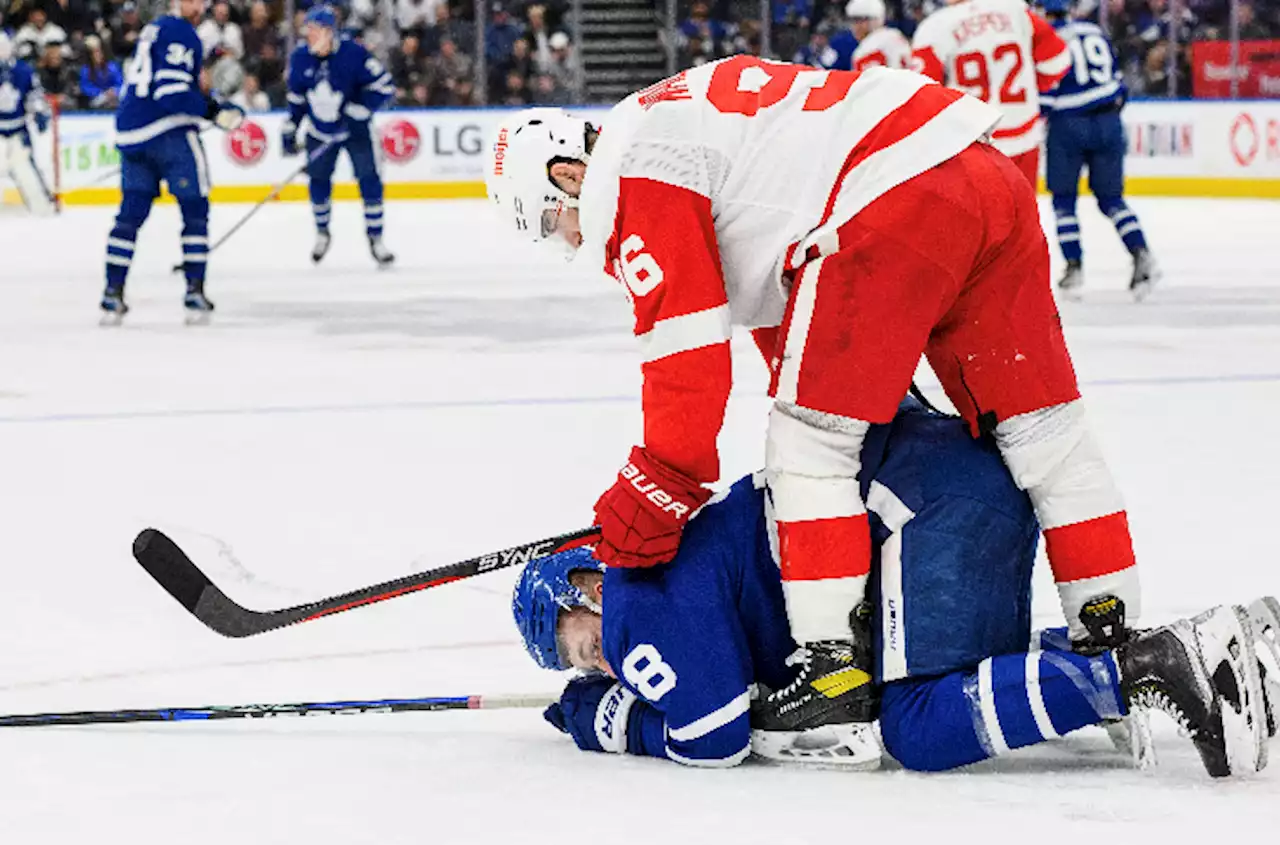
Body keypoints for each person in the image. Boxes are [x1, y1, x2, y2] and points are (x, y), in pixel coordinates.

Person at [484, 58, 1142, 756]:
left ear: (567, 176)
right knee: (1048, 432)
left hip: (888, 196)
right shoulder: (670, 122)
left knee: (810, 444)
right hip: (979, 172)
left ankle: (830, 666)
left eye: (559, 226)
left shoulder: (632, 175)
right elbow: (784, 307)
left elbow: (689, 370)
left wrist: (653, 491)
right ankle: (1113, 632)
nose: (576, 242)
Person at [512, 399, 1276, 775]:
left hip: (916, 499)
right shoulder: (657, 568)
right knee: (943, 680)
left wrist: (607, 720)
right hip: (945, 483)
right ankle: (1202, 653)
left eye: (582, 647)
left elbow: (714, 736)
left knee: (913, 723)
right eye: (586, 665)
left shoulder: (633, 603)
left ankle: (1143, 667)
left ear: (587, 589)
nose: (601, 663)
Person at [100, 0, 245, 324]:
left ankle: (112, 291)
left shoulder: (154, 29)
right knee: (195, 209)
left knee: (130, 215)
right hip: (168, 134)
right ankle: (194, 290)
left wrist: (208, 102)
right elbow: (171, 94)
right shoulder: (182, 34)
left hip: (132, 132)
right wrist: (213, 110)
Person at [1038, 0, 1159, 300]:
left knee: (1064, 202)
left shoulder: (1045, 37)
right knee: (1112, 200)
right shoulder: (1093, 30)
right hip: (1109, 121)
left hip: (1068, 123)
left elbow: (1046, 88)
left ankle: (1074, 267)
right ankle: (1141, 253)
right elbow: (1119, 81)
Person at [911, 0, 1071, 186]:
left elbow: (920, 93)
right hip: (1024, 136)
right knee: (1022, 213)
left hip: (971, 143)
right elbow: (1057, 61)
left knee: (978, 215)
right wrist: (1034, 85)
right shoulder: (1015, 8)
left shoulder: (933, 27)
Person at [284, 4, 395, 267]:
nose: (308, 35)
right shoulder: (300, 57)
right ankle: (322, 232)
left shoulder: (354, 54)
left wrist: (362, 108)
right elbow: (297, 96)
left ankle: (376, 239)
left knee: (369, 180)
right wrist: (291, 125)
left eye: (313, 30)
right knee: (319, 181)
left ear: (329, 32)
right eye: (307, 30)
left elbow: (385, 86)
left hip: (355, 132)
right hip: (319, 132)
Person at [0, 30, 57, 215]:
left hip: (18, 132)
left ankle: (43, 207)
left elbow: (34, 95)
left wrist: (40, 112)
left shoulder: (23, 71)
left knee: (28, 176)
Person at [846, 0, 911, 71]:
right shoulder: (894, 35)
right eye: (853, 21)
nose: (855, 26)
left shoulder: (870, 48)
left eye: (859, 20)